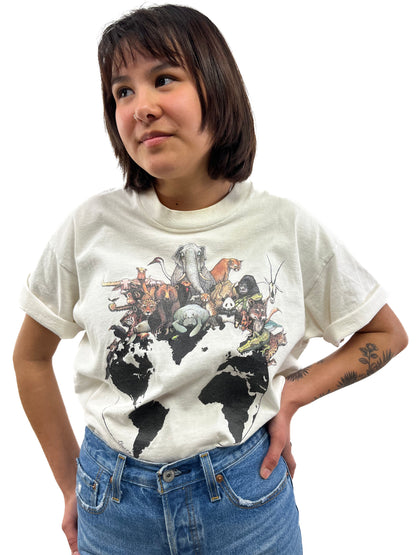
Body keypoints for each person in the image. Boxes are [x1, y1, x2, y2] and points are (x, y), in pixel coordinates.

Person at [13, 4, 407, 555]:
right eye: (122, 91)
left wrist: (292, 394)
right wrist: (69, 482)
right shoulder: (89, 227)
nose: (141, 107)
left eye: (163, 79)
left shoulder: (284, 227)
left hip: (246, 501)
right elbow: (30, 358)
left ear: (217, 87)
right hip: (114, 504)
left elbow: (386, 334)